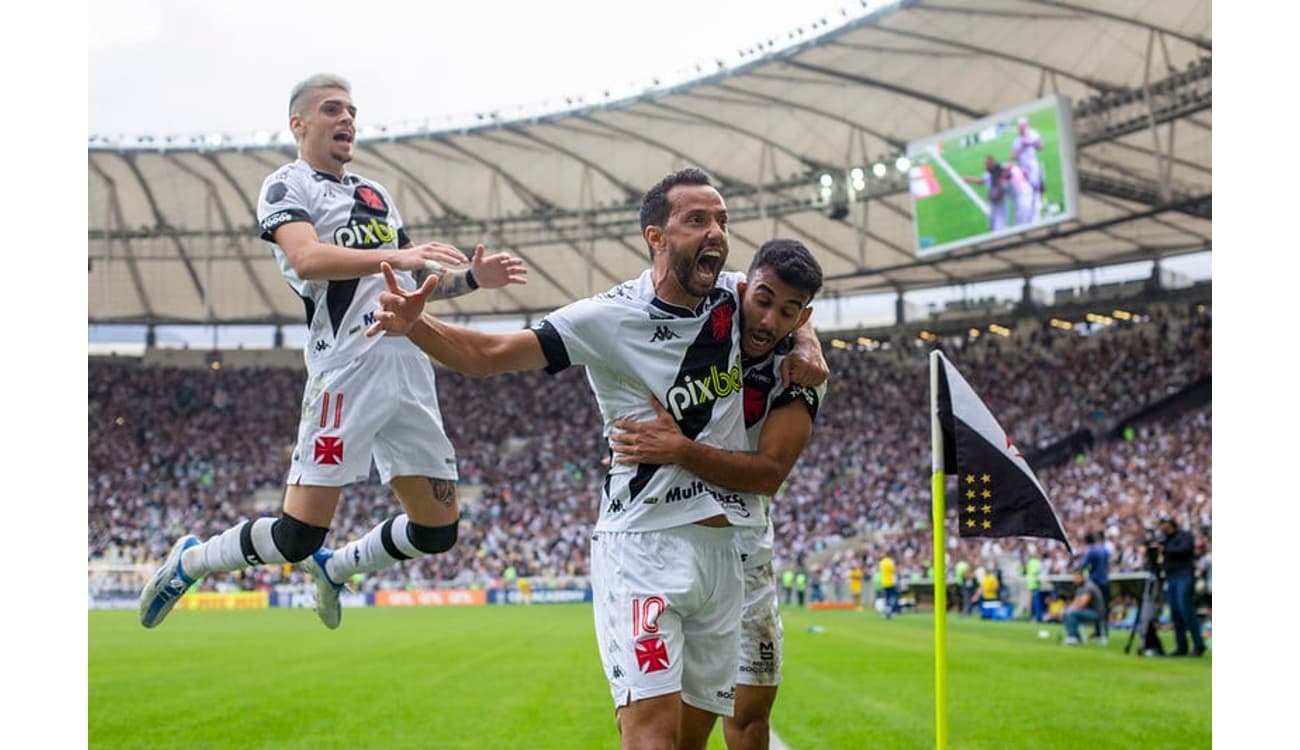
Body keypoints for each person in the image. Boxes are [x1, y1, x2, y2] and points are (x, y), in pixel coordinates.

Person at [363, 167, 827, 749]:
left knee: (689, 740)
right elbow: (490, 354)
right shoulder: (608, 317)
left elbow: (791, 310)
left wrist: (809, 345)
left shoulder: (739, 297)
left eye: (722, 220)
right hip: (645, 547)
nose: (716, 232)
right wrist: (418, 326)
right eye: (697, 219)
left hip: (723, 555)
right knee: (651, 738)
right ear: (656, 237)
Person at [137, 73, 529, 631]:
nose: (347, 119)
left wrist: (470, 278)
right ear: (299, 123)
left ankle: (338, 569)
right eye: (331, 109)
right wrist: (401, 253)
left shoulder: (376, 194)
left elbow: (409, 278)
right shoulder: (285, 186)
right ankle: (192, 559)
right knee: (297, 535)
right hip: (347, 368)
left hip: (409, 365)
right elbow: (308, 260)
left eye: (351, 110)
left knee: (438, 531)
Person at [606, 238, 826, 750]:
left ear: (802, 315)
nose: (770, 320)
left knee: (749, 717)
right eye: (764, 301)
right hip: (671, 545)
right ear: (745, 289)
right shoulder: (706, 315)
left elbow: (769, 472)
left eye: (789, 313)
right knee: (662, 720)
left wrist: (678, 449)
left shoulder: (802, 372)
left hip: (748, 552)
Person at [1157, 517, 1207, 656]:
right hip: (1171, 577)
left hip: (1184, 576)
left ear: (1170, 524)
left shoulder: (1184, 536)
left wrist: (1165, 549)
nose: (1162, 528)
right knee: (1175, 612)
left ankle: (1198, 644)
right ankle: (1181, 646)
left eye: (1164, 524)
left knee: (1185, 609)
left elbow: (1184, 550)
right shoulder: (1165, 539)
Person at [962, 156, 1009, 232]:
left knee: (999, 229)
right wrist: (970, 179)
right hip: (993, 207)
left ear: (992, 163)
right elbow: (982, 180)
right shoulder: (988, 174)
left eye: (986, 164)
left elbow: (1001, 191)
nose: (985, 166)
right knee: (991, 227)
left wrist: (993, 196)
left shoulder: (1000, 171)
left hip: (1000, 207)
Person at [1012, 116, 1045, 221]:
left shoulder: (1033, 134)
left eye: (1022, 126)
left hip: (1032, 165)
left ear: (1026, 125)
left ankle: (1037, 209)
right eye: (1019, 127)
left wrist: (1030, 143)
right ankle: (1028, 210)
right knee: (1025, 190)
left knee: (1035, 187)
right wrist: (1020, 148)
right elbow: (1013, 156)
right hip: (1022, 167)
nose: (1020, 128)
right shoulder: (1017, 141)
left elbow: (1041, 147)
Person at [1062, 570, 1107, 646]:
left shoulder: (1088, 587)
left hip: (1096, 614)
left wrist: (1070, 609)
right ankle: (1077, 638)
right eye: (1074, 578)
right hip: (1087, 611)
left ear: (1082, 577)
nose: (1074, 580)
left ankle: (1073, 638)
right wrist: (1066, 609)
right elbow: (1075, 602)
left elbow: (1082, 604)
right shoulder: (1080, 588)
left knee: (1071, 613)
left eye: (1076, 578)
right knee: (1067, 612)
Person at [1079, 532, 1110, 638]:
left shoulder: (1091, 551)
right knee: (1103, 608)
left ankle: (1098, 631)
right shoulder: (1105, 551)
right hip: (1105, 581)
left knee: (1094, 608)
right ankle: (1103, 631)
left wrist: (1078, 574)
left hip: (1095, 583)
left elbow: (1083, 565)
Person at [880, 552, 898, 619]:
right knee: (893, 596)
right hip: (890, 582)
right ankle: (889, 611)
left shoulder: (882, 562)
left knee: (886, 597)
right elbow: (893, 571)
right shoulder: (890, 562)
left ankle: (886, 611)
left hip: (884, 582)